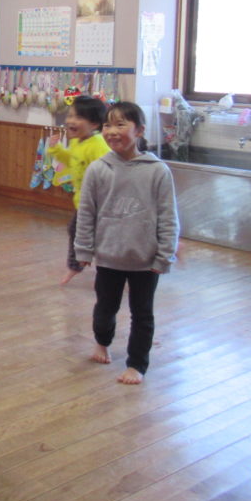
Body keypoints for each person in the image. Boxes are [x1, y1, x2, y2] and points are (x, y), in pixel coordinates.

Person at [74, 100, 179, 386]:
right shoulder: (98, 169)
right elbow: (86, 213)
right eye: (107, 124)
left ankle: (137, 364)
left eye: (120, 124)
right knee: (105, 309)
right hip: (108, 256)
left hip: (145, 260)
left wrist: (165, 255)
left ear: (140, 130)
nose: (112, 131)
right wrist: (83, 249)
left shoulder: (157, 171)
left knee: (142, 314)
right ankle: (102, 342)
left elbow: (168, 216)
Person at [46, 96, 110, 285]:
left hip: (100, 204)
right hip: (83, 202)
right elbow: (71, 161)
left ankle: (117, 270)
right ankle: (77, 264)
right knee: (76, 230)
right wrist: (56, 150)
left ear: (94, 124)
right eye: (71, 116)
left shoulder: (98, 145)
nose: (71, 121)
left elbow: (109, 171)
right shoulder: (77, 142)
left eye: (79, 117)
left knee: (101, 237)